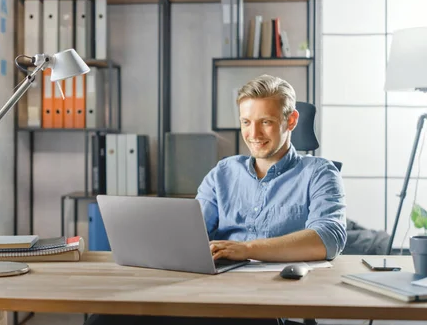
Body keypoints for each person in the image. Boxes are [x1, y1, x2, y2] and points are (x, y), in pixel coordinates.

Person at [84, 74, 347, 325]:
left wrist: (247, 249)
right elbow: (192, 230)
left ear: (290, 121)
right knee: (107, 316)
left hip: (269, 300)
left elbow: (329, 237)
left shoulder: (319, 173)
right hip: (212, 291)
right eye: (246, 122)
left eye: (265, 121)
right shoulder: (224, 171)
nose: (253, 133)